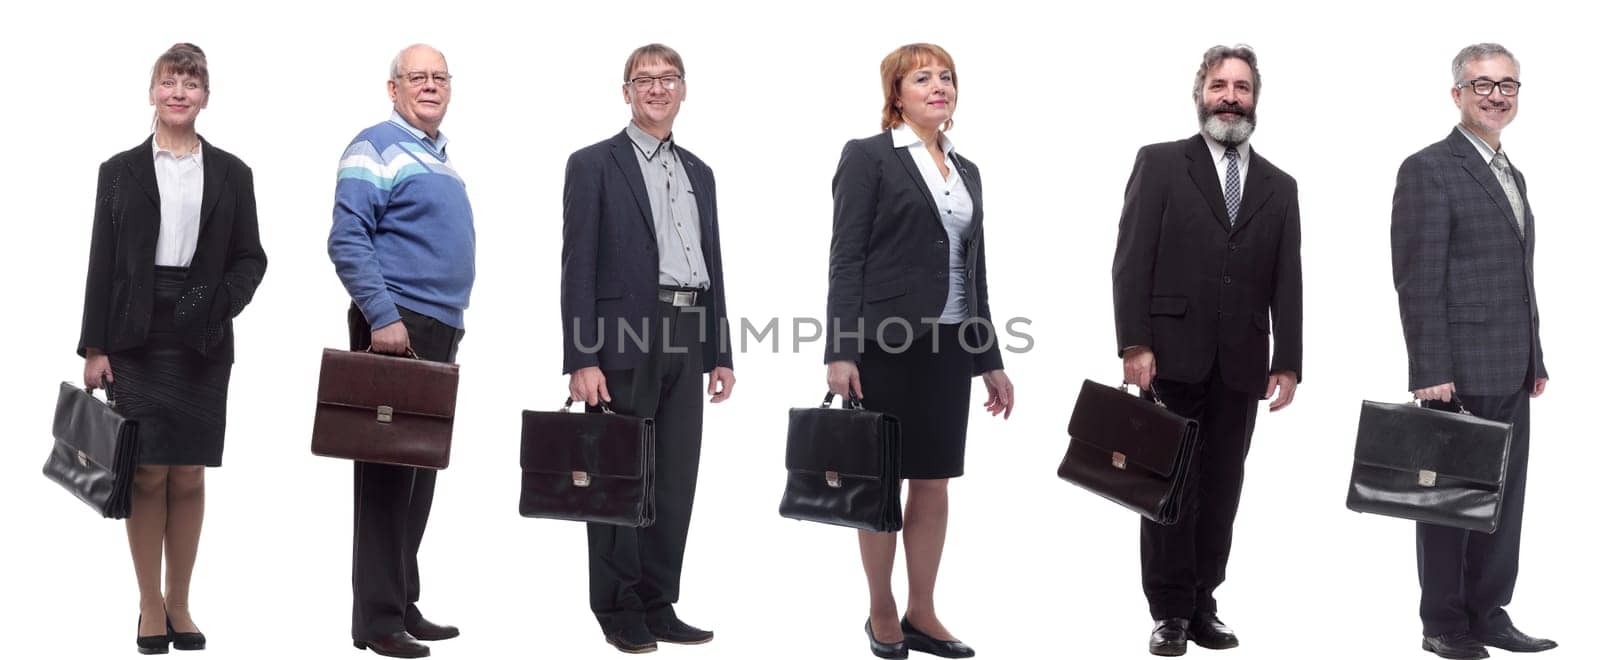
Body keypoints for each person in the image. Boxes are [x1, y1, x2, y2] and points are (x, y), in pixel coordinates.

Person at [1110, 44, 1302, 657]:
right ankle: (1167, 611)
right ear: (1200, 94)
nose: (1230, 97)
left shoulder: (1279, 184)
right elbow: (1131, 260)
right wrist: (1135, 342)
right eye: (1219, 85)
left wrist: (1289, 359)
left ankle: (1202, 604)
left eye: (1242, 87)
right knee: (1168, 487)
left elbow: (1287, 279)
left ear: (1255, 99)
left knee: (1222, 487)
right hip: (1170, 356)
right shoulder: (1161, 164)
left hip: (1243, 362)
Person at [825, 43, 1015, 660]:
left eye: (947, 77)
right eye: (923, 78)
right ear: (896, 94)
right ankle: (881, 609)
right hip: (885, 342)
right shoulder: (870, 157)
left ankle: (922, 611)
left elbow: (974, 270)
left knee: (933, 480)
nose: (939, 86)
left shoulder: (968, 170)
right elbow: (845, 257)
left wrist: (989, 359)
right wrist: (842, 349)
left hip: (950, 345)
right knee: (879, 484)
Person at [77, 42, 268, 655]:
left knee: (188, 471)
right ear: (152, 92)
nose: (179, 92)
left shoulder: (234, 173)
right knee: (147, 470)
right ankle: (149, 604)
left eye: (191, 83)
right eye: (169, 81)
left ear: (206, 96)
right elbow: (102, 262)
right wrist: (94, 346)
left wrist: (218, 304)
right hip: (134, 334)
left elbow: (250, 258)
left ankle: (181, 602)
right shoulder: (118, 170)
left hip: (202, 333)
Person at [560, 42, 735, 655]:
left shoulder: (700, 172)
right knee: (616, 472)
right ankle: (616, 605)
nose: (657, 89)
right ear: (626, 92)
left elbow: (712, 264)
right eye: (644, 80)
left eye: (669, 79)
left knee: (674, 477)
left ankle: (659, 602)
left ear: (684, 90)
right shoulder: (593, 164)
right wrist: (581, 357)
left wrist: (721, 351)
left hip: (690, 332)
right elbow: (577, 267)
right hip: (622, 339)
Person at [1391, 42, 1556, 660]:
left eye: (1508, 85)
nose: (1497, 95)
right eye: (1483, 84)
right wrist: (1430, 369)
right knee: (1449, 501)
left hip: (1509, 366)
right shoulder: (1429, 168)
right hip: (1456, 372)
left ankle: (1489, 613)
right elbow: (1417, 276)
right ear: (1457, 93)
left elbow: (1518, 274)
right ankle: (1444, 624)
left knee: (1503, 499)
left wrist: (1534, 358)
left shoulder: (1511, 172)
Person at [328, 43, 472, 659]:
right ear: (394, 89)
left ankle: (402, 601)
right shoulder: (375, 146)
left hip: (437, 328)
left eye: (440, 77)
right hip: (397, 328)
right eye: (418, 77)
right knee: (387, 475)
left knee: (419, 468)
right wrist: (383, 318)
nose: (431, 85)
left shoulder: (437, 155)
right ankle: (377, 621)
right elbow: (346, 237)